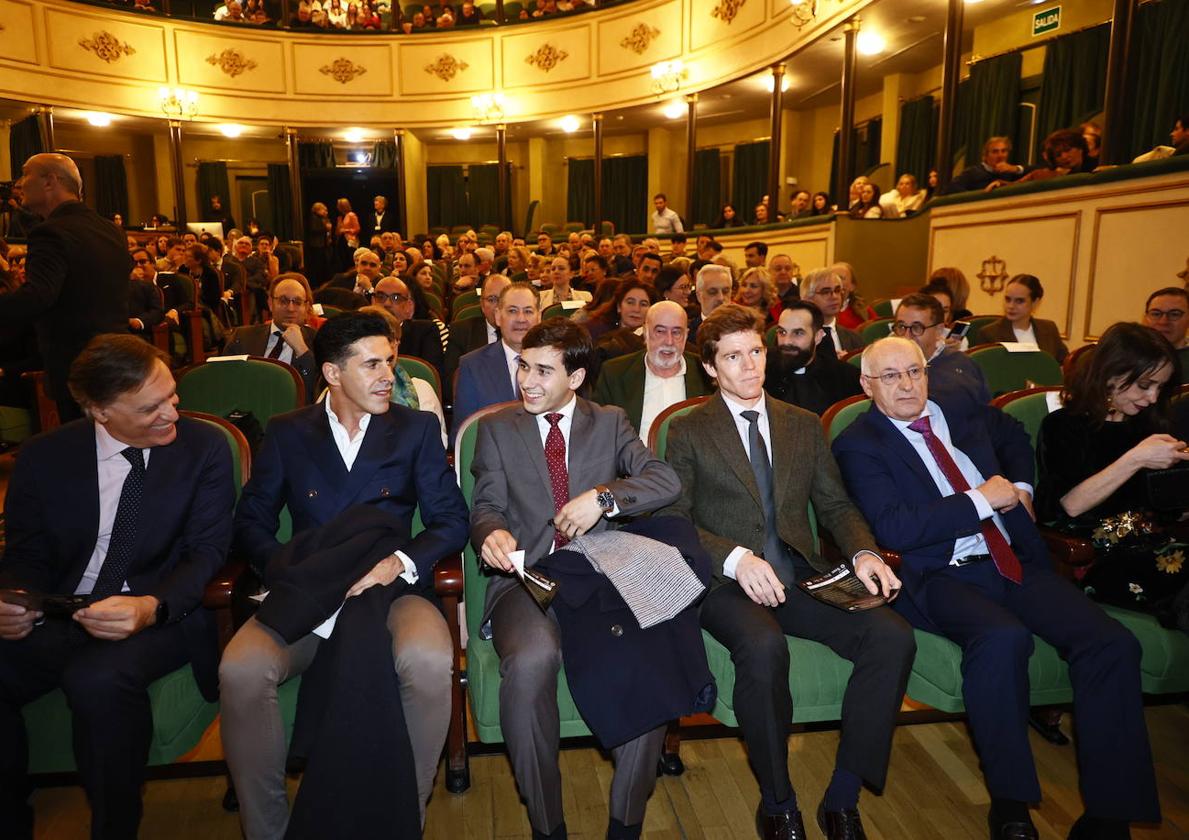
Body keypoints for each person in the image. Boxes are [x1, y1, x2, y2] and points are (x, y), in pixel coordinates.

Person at [833, 336, 1160, 840]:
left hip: (1016, 562)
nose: (907, 385)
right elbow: (897, 528)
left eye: (915, 372)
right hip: (940, 574)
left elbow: (1011, 434)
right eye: (891, 376)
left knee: (1112, 643)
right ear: (866, 385)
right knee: (1004, 638)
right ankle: (1011, 803)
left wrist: (1022, 490)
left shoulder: (959, 407)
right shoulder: (859, 443)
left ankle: (1109, 817)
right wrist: (982, 499)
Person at [661, 305, 914, 840]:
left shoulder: (801, 425)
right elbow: (673, 520)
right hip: (724, 581)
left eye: (755, 351)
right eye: (733, 357)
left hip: (798, 574)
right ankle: (779, 801)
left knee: (891, 635)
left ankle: (843, 797)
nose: (750, 366)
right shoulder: (688, 430)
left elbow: (837, 506)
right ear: (710, 367)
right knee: (764, 647)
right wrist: (736, 557)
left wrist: (864, 552)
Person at [220, 312, 468, 838]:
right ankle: (269, 831)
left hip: (390, 589)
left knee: (429, 658)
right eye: (372, 364)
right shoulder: (289, 433)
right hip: (311, 592)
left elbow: (450, 522)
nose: (387, 376)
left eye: (390, 361)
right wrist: (288, 570)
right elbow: (252, 520)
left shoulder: (415, 429)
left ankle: (406, 817)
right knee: (241, 669)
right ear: (332, 373)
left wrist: (395, 565)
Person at [0, 335, 234, 840]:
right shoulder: (44, 458)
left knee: (97, 681)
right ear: (99, 411)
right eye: (151, 407)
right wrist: (14, 599)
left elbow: (207, 553)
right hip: (61, 612)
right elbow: (24, 555)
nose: (172, 412)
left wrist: (151, 606)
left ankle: (115, 829)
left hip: (161, 614)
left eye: (172, 395)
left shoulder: (203, 449)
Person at [470, 318, 683, 840]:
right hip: (528, 579)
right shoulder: (498, 429)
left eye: (544, 370)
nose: (528, 381)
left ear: (578, 376)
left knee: (648, 653)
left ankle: (625, 825)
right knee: (531, 659)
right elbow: (486, 507)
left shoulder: (610, 422)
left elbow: (664, 480)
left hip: (603, 572)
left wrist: (604, 498)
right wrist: (491, 534)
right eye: (524, 365)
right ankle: (548, 826)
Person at [1037, 322, 1189, 620]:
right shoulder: (1065, 426)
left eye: (1160, 387)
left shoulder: (1147, 423)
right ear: (1111, 374)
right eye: (1145, 385)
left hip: (1156, 546)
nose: (1153, 398)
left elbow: (1164, 508)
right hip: (1101, 558)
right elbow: (1070, 505)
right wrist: (1137, 458)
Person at [0, 154, 131, 421]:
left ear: (50, 181)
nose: (19, 184)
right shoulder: (110, 229)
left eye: (26, 175)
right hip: (116, 356)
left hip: (76, 364)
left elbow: (38, 296)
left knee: (85, 450)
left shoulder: (50, 232)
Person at [592, 300, 712, 441]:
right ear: (645, 332)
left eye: (676, 332)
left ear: (686, 335)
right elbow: (599, 433)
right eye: (660, 331)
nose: (669, 341)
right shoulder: (614, 373)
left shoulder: (706, 373)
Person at [453, 282, 541, 441]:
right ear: (498, 317)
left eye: (528, 311)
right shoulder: (472, 365)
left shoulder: (559, 364)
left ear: (539, 317)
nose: (521, 319)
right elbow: (462, 436)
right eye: (512, 311)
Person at [222, 274, 320, 401]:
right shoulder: (243, 336)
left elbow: (318, 390)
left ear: (306, 307)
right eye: (283, 301)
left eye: (297, 302)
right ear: (270, 303)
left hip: (293, 414)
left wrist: (301, 350)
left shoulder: (318, 341)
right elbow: (222, 379)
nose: (290, 309)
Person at [764, 300, 862, 416]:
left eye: (798, 333)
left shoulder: (845, 377)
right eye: (782, 332)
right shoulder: (761, 371)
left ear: (818, 336)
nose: (786, 341)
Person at [894, 293, 991, 406]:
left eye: (917, 328)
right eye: (901, 327)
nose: (906, 336)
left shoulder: (963, 367)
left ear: (939, 330)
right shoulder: (884, 368)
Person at [974, 274, 1069, 363]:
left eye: (1019, 301)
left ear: (1035, 302)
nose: (1011, 306)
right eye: (1008, 299)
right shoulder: (989, 333)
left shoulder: (1049, 328)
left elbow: (1064, 363)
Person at [801, 268, 863, 355]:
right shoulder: (795, 336)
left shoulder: (854, 339)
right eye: (825, 292)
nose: (834, 296)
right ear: (808, 299)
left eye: (837, 290)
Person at [941, 137, 1029, 195]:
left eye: (1004, 151)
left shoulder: (1011, 173)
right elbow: (949, 188)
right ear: (985, 156)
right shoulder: (972, 172)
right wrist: (980, 195)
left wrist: (1015, 169)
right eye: (995, 152)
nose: (1000, 155)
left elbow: (1038, 170)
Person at [1141, 287, 1189, 380]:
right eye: (1156, 314)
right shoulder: (1127, 356)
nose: (1163, 322)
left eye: (1174, 314)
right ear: (1145, 318)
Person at [832, 262, 876, 330]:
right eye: (832, 277)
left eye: (841, 278)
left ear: (852, 286)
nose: (836, 281)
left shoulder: (863, 310)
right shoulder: (820, 310)